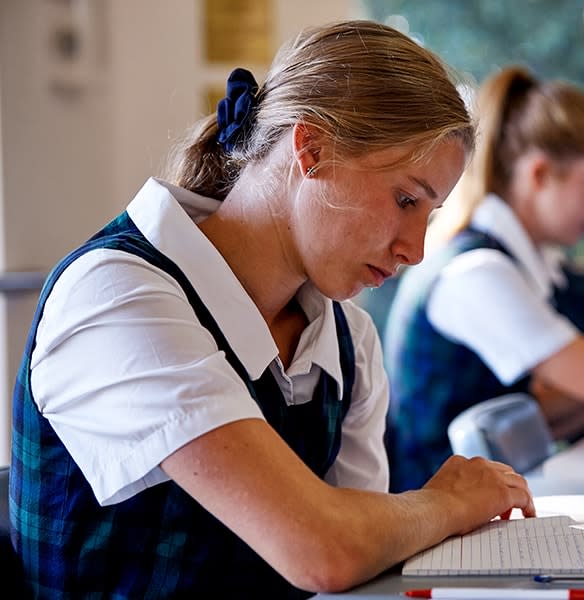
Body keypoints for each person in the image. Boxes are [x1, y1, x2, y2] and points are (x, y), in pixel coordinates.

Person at [10, 21, 535, 598]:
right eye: (405, 199)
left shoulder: (348, 340)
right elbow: (327, 552)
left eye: (428, 215)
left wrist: (411, 521)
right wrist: (446, 503)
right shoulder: (117, 295)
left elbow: (364, 567)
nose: (415, 248)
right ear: (310, 149)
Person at [383, 65, 584, 492]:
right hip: (437, 520)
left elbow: (560, 404)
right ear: (538, 174)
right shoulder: (475, 276)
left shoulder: (533, 263)